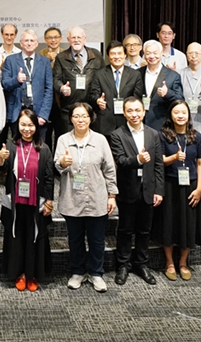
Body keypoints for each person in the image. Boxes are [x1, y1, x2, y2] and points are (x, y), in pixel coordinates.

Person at [55, 102, 118, 293]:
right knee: (75, 239)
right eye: (76, 116)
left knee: (96, 240)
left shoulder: (100, 140)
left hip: (96, 198)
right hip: (72, 198)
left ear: (91, 118)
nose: (80, 120)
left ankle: (96, 273)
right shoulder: (63, 140)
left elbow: (109, 169)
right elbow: (57, 165)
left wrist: (112, 195)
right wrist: (62, 163)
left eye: (84, 116)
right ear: (71, 119)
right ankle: (77, 272)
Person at [109, 97, 164, 286]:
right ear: (124, 113)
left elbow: (158, 164)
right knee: (125, 230)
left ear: (144, 111)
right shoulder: (117, 134)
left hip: (148, 189)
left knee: (144, 230)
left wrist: (159, 190)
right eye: (130, 111)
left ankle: (142, 264)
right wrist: (138, 160)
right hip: (127, 190)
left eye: (137, 110)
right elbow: (120, 161)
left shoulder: (153, 134)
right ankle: (123, 265)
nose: (134, 114)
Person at [0, 109, 54, 292]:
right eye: (23, 125)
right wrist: (0, 159)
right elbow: (2, 169)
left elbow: (49, 177)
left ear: (36, 126)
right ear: (18, 126)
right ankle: (19, 274)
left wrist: (49, 201)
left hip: (36, 202)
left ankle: (32, 275)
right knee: (17, 238)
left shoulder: (44, 149)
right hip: (15, 202)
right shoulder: (11, 145)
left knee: (34, 238)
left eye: (30, 125)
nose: (26, 129)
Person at [158, 101, 201, 281]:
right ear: (170, 115)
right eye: (176, 112)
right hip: (169, 184)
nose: (180, 116)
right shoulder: (163, 135)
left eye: (183, 112)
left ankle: (183, 263)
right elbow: (160, 160)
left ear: (188, 115)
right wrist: (174, 157)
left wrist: (200, 188)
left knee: (188, 224)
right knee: (168, 223)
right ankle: (169, 262)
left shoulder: (197, 137)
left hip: (190, 186)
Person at [53, 25, 104, 140]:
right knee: (69, 141)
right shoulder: (61, 57)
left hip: (91, 108)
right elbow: (55, 79)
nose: (76, 40)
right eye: (73, 37)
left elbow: (103, 77)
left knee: (91, 141)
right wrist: (61, 88)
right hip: (69, 109)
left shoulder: (96, 55)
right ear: (68, 40)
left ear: (85, 39)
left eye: (79, 37)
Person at [2, 29, 53, 141]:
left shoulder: (45, 62)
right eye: (26, 41)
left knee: (38, 146)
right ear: (21, 43)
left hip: (38, 112)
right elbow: (5, 83)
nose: (29, 43)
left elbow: (49, 89)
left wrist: (43, 114)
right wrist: (16, 80)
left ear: (37, 43)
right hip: (17, 112)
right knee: (17, 146)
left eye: (32, 40)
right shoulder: (10, 60)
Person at [88, 40, 144, 136]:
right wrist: (97, 100)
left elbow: (137, 98)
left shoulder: (135, 75)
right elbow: (92, 95)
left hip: (127, 122)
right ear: (108, 56)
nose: (116, 57)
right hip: (105, 123)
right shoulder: (99, 74)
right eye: (113, 54)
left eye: (119, 53)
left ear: (125, 55)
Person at [138, 40, 183, 130]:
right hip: (139, 123)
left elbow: (180, 100)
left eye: (155, 53)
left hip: (162, 125)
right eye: (148, 53)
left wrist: (167, 93)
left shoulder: (173, 76)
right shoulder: (137, 73)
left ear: (161, 53)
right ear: (144, 54)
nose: (152, 56)